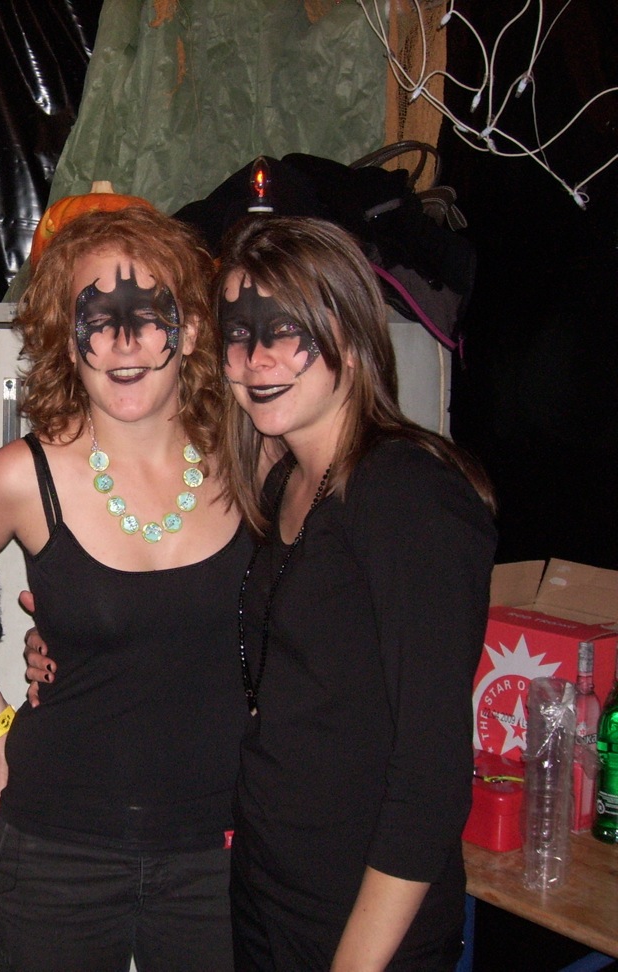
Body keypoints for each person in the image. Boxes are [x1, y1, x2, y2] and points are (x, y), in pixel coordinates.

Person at [0, 205, 251, 971]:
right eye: (97, 319)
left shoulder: (253, 463)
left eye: (148, 313)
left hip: (223, 853)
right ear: (64, 338)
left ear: (193, 329)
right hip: (56, 857)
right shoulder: (23, 477)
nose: (123, 340)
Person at [213, 217, 496, 970]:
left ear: (350, 331)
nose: (258, 358)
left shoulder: (408, 495)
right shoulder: (285, 483)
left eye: (286, 329)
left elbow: (431, 777)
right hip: (267, 894)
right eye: (238, 334)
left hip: (362, 925)